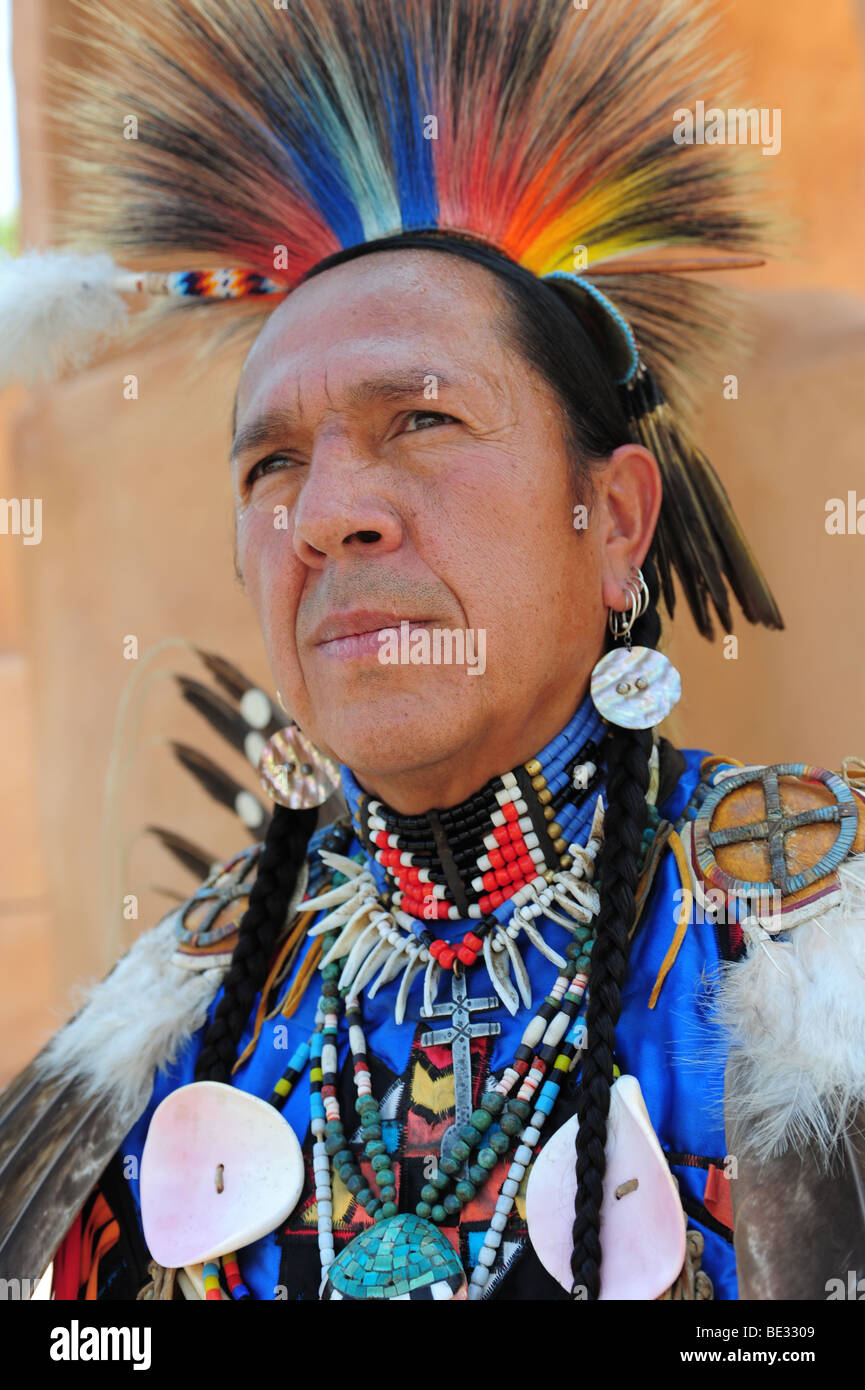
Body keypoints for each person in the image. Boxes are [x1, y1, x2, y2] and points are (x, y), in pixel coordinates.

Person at [1, 0, 864, 1303]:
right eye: (271, 462)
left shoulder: (821, 933)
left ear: (613, 521)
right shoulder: (169, 1015)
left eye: (419, 417)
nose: (329, 511)